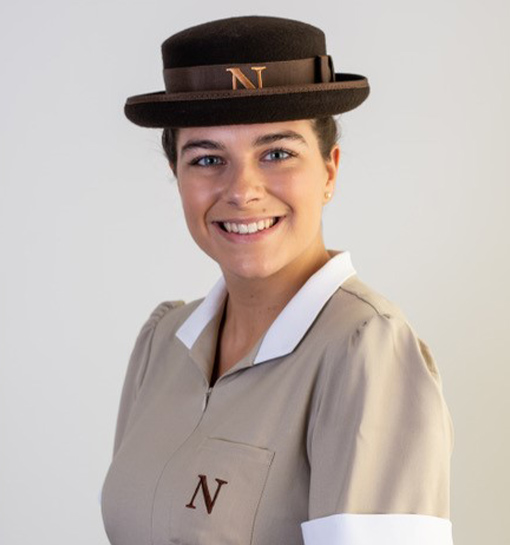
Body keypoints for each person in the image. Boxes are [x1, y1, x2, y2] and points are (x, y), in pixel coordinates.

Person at [100, 15, 454, 545]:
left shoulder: (366, 351)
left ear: (330, 170)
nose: (242, 189)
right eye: (207, 158)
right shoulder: (162, 341)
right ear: (177, 175)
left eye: (277, 153)